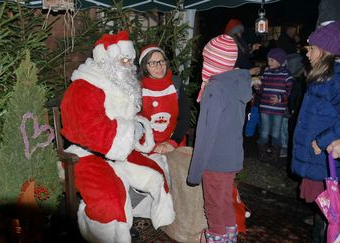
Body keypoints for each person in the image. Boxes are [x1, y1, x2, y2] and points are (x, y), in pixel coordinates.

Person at [60, 30, 175, 243]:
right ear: (106, 60)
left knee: (156, 175)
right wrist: (131, 131)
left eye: (129, 60)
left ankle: (134, 219)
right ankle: (106, 234)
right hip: (86, 154)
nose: (127, 64)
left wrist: (139, 128)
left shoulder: (120, 83)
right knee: (109, 200)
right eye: (121, 60)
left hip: (118, 150)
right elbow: (88, 130)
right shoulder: (84, 86)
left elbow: (130, 118)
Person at [187, 34, 253, 243]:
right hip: (232, 157)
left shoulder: (215, 88)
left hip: (215, 160)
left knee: (213, 205)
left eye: (207, 60)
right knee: (224, 201)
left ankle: (217, 237)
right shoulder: (236, 82)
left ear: (214, 61)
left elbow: (206, 134)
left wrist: (194, 173)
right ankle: (229, 236)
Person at [137, 45, 207, 242]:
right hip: (146, 145)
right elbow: (134, 122)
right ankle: (159, 214)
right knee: (157, 174)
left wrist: (172, 141)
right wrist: (150, 145)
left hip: (173, 142)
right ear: (144, 66)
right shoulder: (136, 88)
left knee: (186, 173)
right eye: (153, 63)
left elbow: (184, 118)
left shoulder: (175, 84)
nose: (159, 66)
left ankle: (189, 222)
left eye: (161, 61)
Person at [290, 21, 340, 243]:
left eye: (310, 49)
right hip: (318, 158)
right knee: (324, 211)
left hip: (326, 158)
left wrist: (323, 140)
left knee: (329, 214)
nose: (306, 54)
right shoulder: (321, 77)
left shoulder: (336, 79)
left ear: (325, 50)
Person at [256, 48, 293, 163]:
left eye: (272, 60)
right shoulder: (266, 72)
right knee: (264, 132)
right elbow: (262, 89)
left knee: (276, 133)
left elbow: (289, 91)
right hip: (265, 108)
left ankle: (274, 155)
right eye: (268, 60)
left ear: (280, 61)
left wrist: (280, 98)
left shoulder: (286, 74)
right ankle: (262, 155)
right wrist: (258, 88)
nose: (269, 62)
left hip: (278, 109)